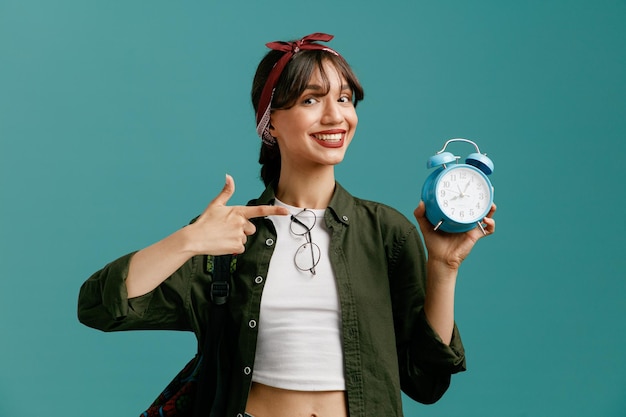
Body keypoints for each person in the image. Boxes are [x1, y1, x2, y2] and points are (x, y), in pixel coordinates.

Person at [78, 32, 496, 417]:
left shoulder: (387, 232)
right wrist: (188, 241)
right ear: (271, 122)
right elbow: (99, 307)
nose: (335, 116)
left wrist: (443, 268)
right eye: (311, 100)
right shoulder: (226, 236)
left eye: (346, 99)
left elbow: (426, 381)